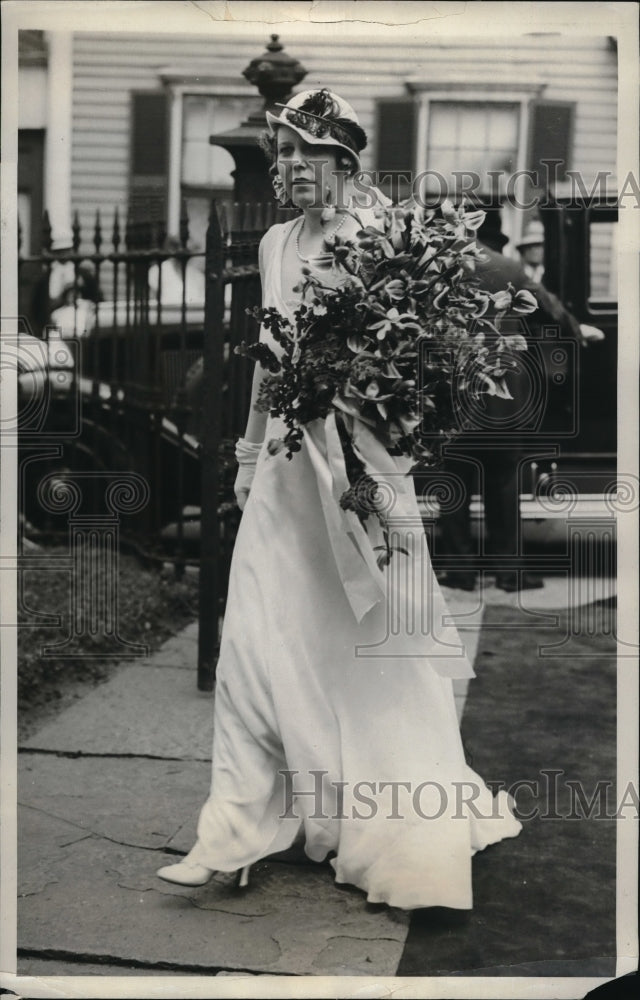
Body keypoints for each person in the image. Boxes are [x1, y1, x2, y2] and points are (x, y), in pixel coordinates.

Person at [156, 89, 521, 910]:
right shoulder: (276, 242)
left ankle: (385, 809)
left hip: (360, 473)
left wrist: (372, 426)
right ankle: (233, 830)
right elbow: (267, 355)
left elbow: (424, 374)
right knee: (254, 632)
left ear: (343, 164)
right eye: (279, 153)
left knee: (362, 648)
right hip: (287, 469)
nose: (284, 169)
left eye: (300, 155)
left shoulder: (384, 240)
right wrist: (251, 454)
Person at [436, 211, 604, 593]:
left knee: (456, 485)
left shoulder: (441, 263)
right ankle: (509, 573)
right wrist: (580, 332)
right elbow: (550, 309)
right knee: (505, 484)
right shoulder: (509, 268)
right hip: (504, 398)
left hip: (454, 395)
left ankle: (460, 571)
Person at [516, 219, 546, 283]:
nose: (534, 250)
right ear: (523, 250)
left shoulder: (549, 276)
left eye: (538, 245)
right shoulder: (517, 273)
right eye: (530, 246)